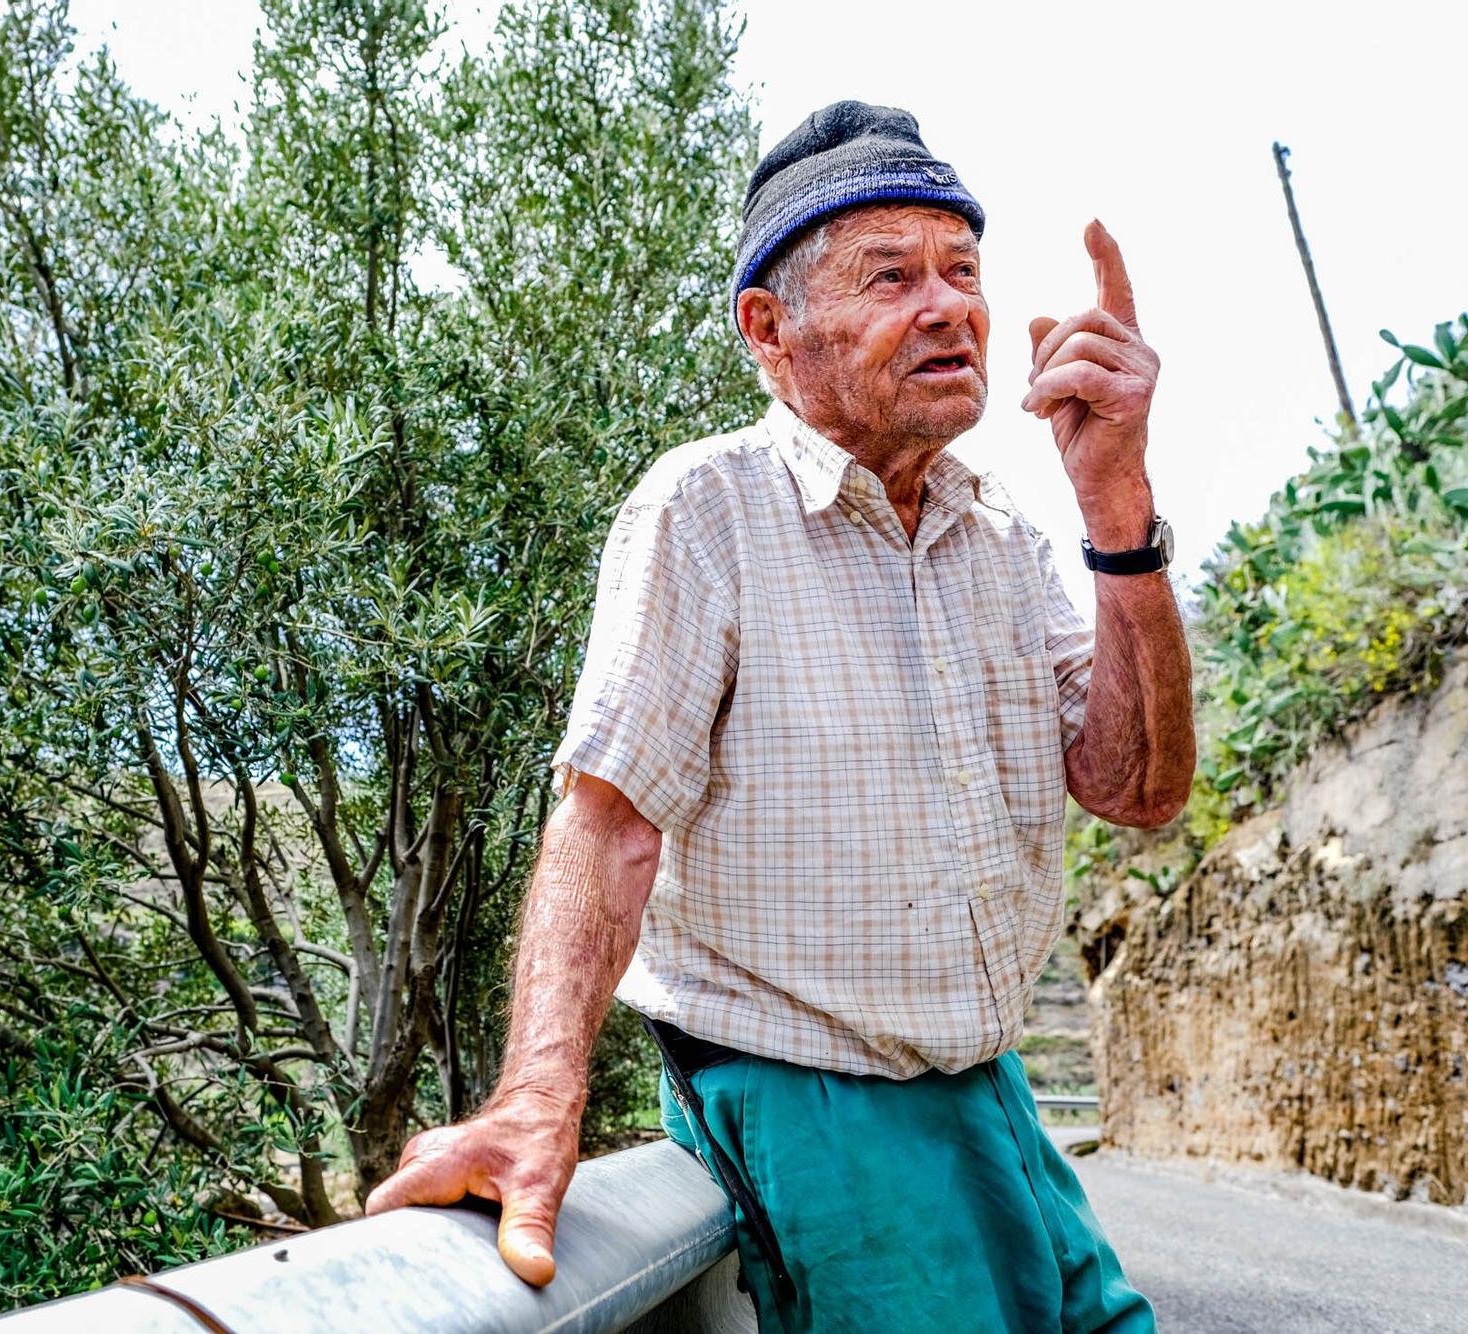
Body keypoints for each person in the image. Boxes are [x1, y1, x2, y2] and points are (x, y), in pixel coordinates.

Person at [364, 99, 1192, 1332]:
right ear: (769, 326)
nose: (948, 306)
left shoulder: (1008, 537)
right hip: (818, 1113)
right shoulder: (705, 509)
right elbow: (606, 821)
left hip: (990, 1100)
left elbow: (1140, 787)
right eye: (890, 276)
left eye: (962, 270)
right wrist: (538, 1097)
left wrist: (1116, 507)